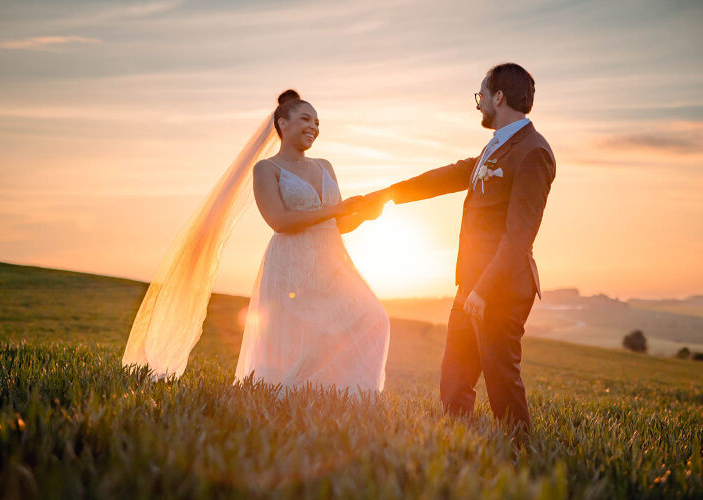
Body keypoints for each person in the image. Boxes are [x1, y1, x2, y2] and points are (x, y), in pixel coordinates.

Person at [362, 63, 556, 429]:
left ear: (498, 97)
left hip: (500, 287)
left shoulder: (533, 151)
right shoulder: (496, 146)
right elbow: (449, 175)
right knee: (454, 377)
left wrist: (483, 290)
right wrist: (389, 195)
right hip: (470, 284)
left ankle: (520, 454)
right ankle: (458, 443)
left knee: (501, 380)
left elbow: (519, 236)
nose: (478, 103)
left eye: (480, 95)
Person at [233, 90, 390, 394]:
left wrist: (365, 216)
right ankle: (289, 397)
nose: (314, 127)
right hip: (290, 262)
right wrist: (336, 210)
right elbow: (278, 220)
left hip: (332, 262)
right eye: (305, 118)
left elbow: (339, 223)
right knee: (297, 337)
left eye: (318, 123)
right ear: (283, 123)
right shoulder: (266, 169)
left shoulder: (325, 166)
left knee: (373, 316)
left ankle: (348, 395)